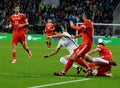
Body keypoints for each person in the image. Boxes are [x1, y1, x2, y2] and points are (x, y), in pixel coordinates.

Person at [54, 11, 94, 77]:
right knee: (72, 57)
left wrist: (72, 26)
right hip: (84, 44)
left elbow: (80, 28)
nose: (82, 17)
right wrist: (75, 37)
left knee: (75, 57)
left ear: (85, 16)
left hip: (86, 44)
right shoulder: (88, 24)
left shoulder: (87, 23)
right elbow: (83, 33)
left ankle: (88, 69)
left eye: (83, 16)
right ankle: (63, 72)